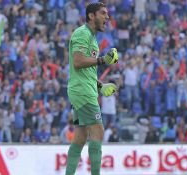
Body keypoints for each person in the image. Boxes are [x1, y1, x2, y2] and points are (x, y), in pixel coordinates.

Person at [65, 2, 119, 175]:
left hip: (83, 89)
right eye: (103, 13)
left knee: (80, 138)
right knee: (98, 130)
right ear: (91, 16)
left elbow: (85, 71)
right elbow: (78, 62)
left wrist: (101, 86)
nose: (107, 17)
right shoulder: (82, 33)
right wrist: (103, 60)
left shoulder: (91, 38)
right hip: (82, 91)